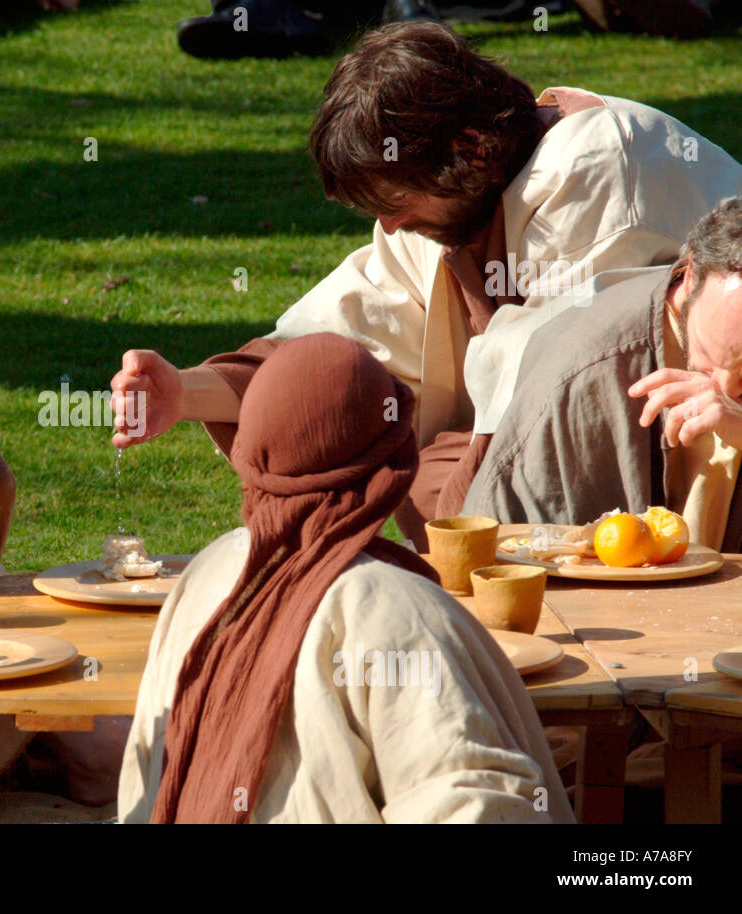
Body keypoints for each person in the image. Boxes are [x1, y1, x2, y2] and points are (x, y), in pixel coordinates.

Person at [111, 20, 742, 547]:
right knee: (364, 426)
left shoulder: (604, 174)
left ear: (471, 146)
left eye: (398, 199)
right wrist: (185, 391)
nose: (391, 224)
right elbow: (346, 336)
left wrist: (462, 530)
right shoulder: (456, 198)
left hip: (701, 440)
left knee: (448, 484)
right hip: (552, 436)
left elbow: (565, 385)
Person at [118, 333, 571, 823]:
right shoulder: (396, 612)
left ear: (251, 458)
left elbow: (142, 787)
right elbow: (475, 806)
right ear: (393, 459)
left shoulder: (207, 574)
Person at [462, 197, 742, 548]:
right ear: (691, 277)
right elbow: (499, 554)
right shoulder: (584, 370)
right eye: (708, 359)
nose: (725, 389)